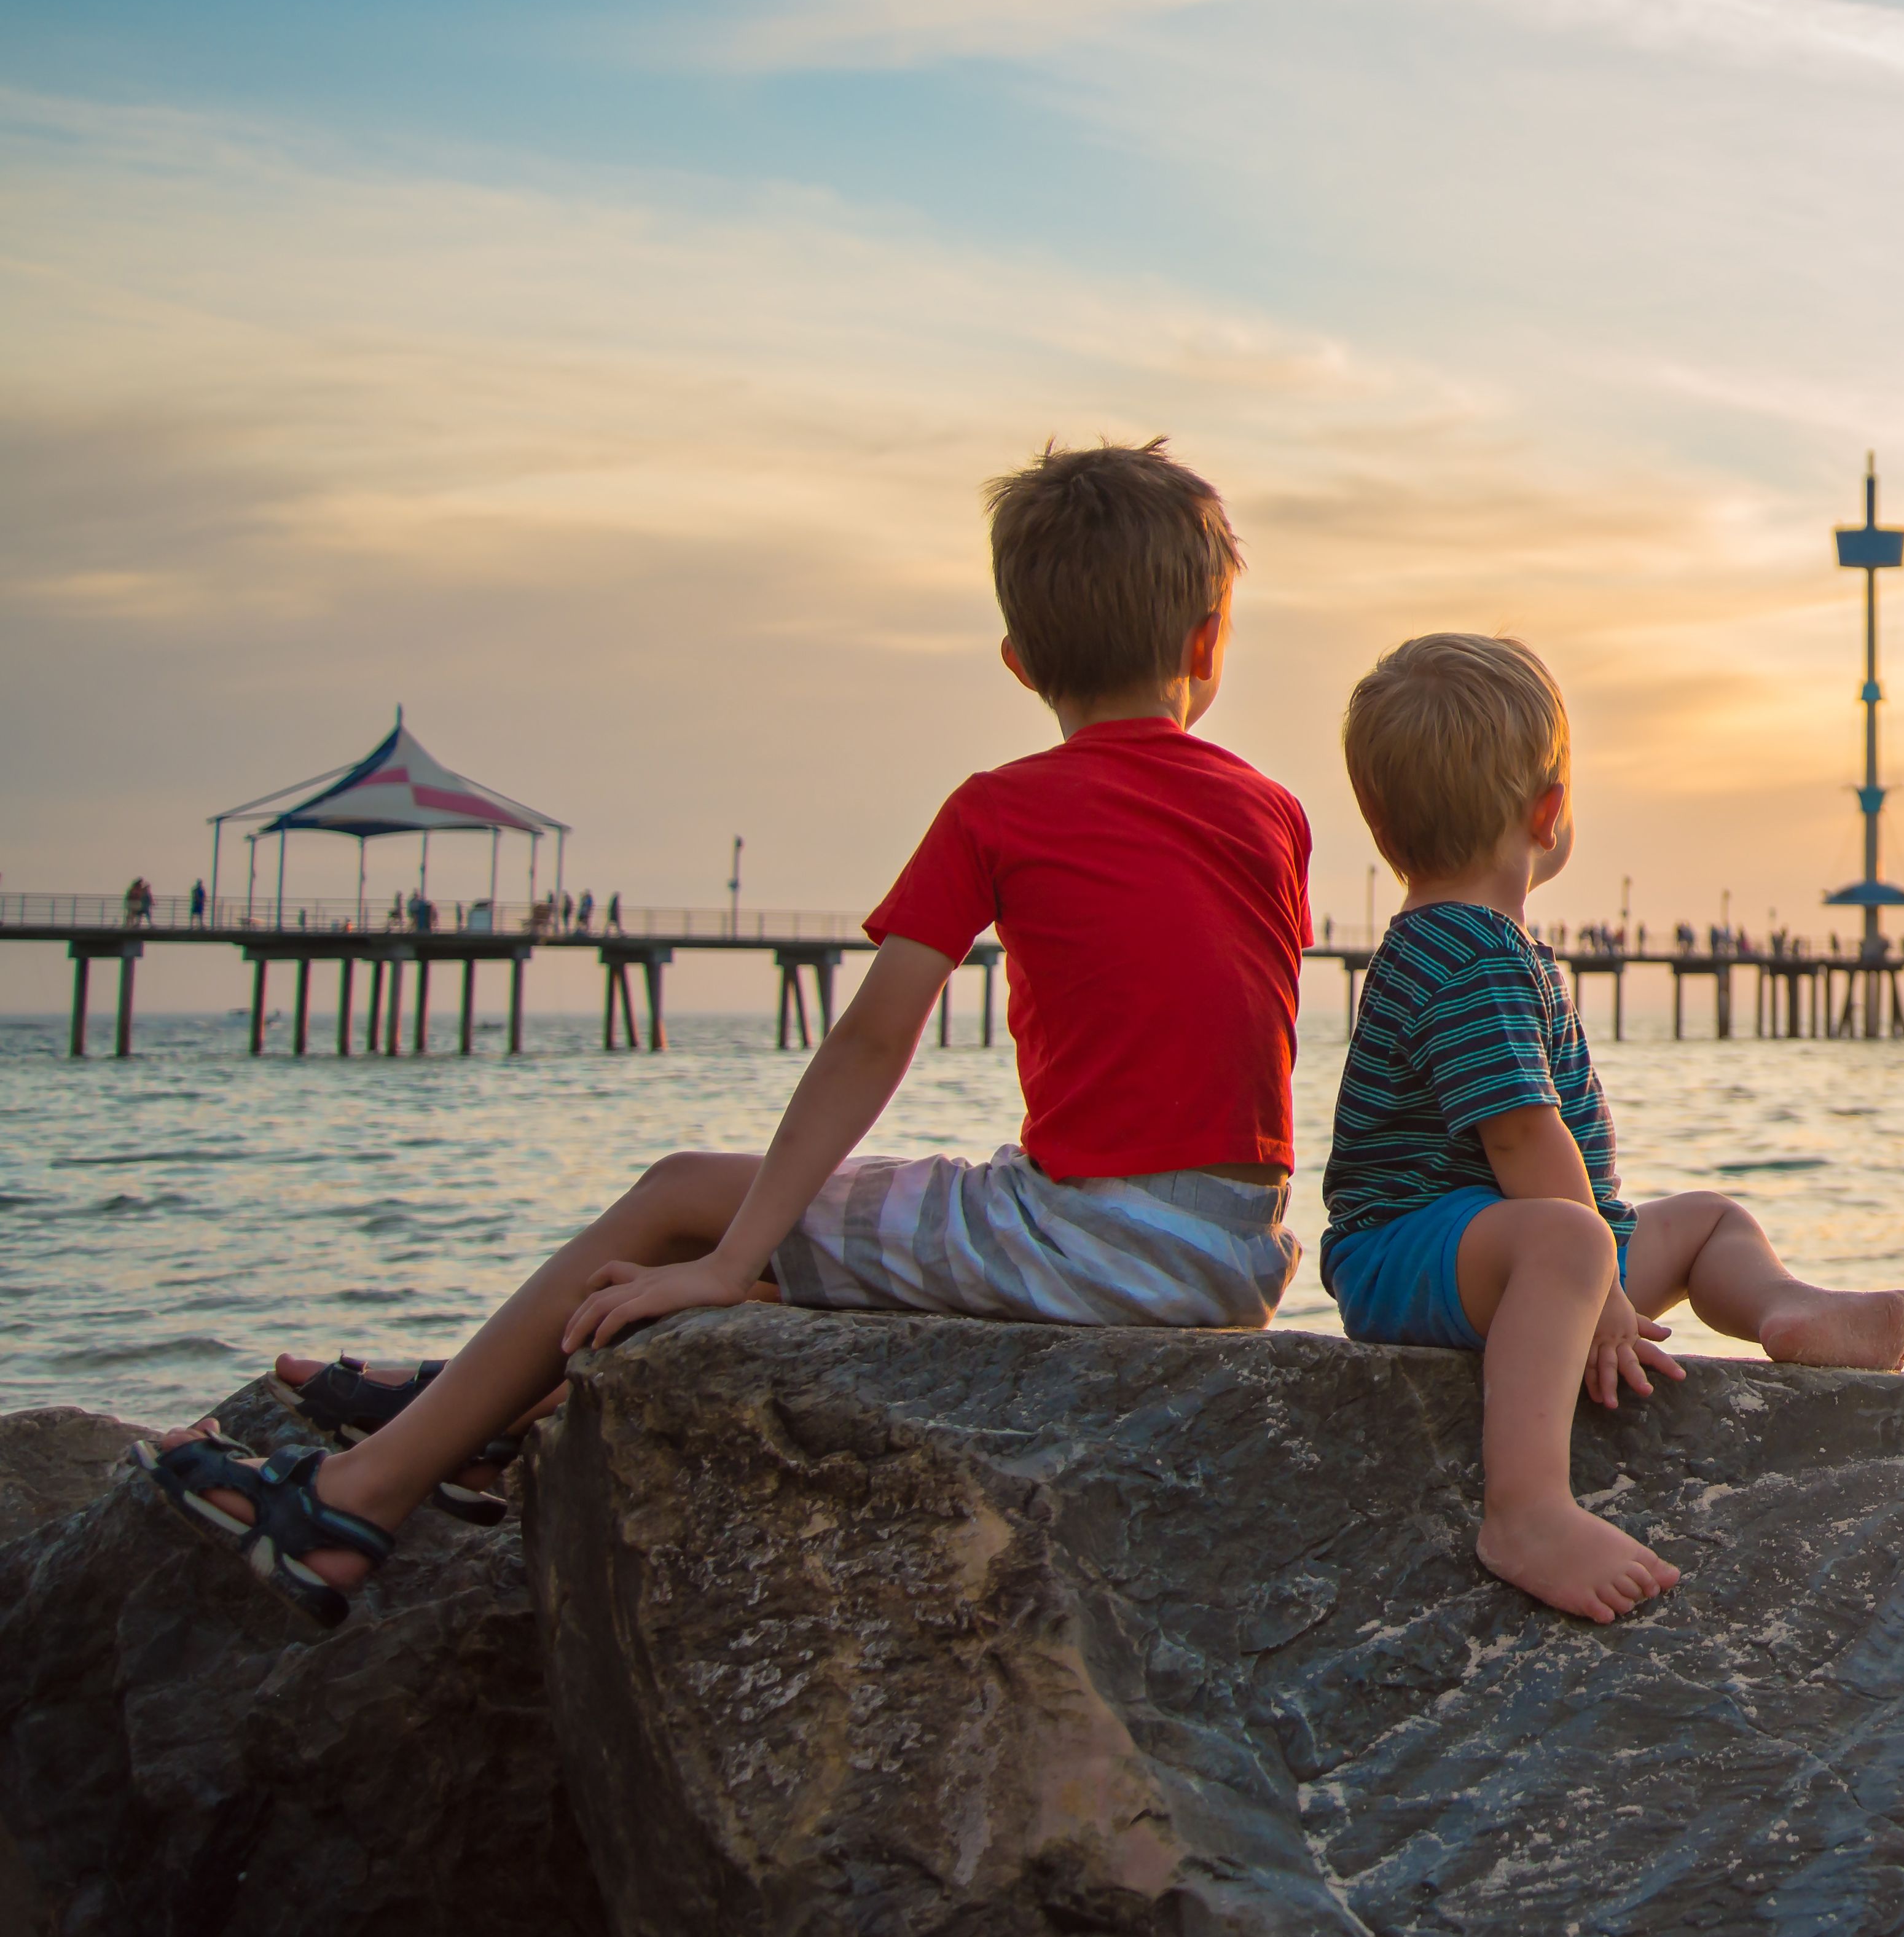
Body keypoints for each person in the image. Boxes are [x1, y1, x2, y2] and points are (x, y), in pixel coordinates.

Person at [149, 439, 1314, 1626]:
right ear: (1209, 640)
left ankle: (352, 1503)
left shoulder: (999, 809)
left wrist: (720, 1253)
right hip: (1234, 1256)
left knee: (680, 1196)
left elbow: (868, 1045)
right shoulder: (1276, 814)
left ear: (1018, 663)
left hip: (1095, 1243)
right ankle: (478, 1403)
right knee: (792, 1242)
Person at [1320, 632, 1904, 1621]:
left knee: (1706, 1220)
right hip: (1409, 1252)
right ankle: (1525, 1511)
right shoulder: (1463, 952)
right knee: (1573, 1237)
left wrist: (1593, 1268)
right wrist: (1592, 1282)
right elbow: (1518, 1140)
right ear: (1548, 813)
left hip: (1523, 1257)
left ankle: (1783, 1309)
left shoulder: (1481, 941)